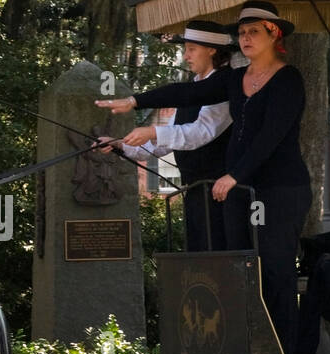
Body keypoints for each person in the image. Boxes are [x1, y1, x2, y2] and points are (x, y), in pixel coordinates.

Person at [96, 0, 312, 354]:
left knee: (274, 273)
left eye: (253, 31)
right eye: (241, 33)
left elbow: (270, 137)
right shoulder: (234, 80)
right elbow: (186, 93)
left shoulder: (288, 79)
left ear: (274, 34)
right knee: (236, 271)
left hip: (280, 190)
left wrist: (234, 174)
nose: (245, 38)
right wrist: (134, 101)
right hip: (242, 192)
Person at [100, 20, 234, 251]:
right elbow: (162, 143)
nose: (185, 56)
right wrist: (121, 145)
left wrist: (152, 131)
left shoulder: (224, 85)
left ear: (212, 49)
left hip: (222, 194)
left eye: (191, 49)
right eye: (185, 49)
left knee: (220, 257)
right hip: (194, 191)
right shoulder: (191, 88)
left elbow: (199, 133)